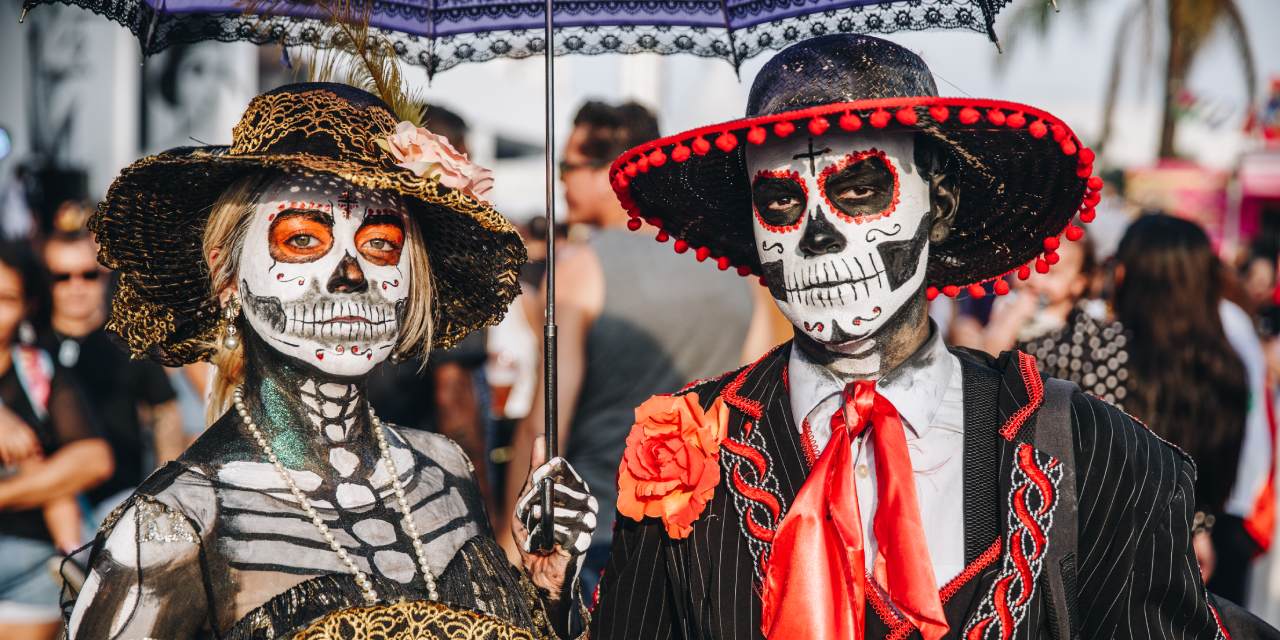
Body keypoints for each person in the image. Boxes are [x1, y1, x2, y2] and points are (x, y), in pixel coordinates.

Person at [591, 34, 1277, 639]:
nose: (818, 235)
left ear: (938, 205)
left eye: (859, 189)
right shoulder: (680, 455)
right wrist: (552, 590)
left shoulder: (1097, 453)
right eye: (780, 202)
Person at [65, 82, 596, 639]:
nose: (350, 273)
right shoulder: (175, 522)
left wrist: (547, 591)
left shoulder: (446, 469)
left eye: (381, 244)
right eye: (303, 240)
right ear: (228, 278)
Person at [498, 100, 756, 593]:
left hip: (602, 534)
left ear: (608, 171)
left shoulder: (579, 272)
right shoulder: (729, 270)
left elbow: (545, 424)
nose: (562, 182)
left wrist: (513, 547)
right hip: (711, 530)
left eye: (568, 166)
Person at [1112, 214, 1256, 604]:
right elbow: (1249, 438)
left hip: (1120, 542)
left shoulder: (1109, 345)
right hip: (1216, 528)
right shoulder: (1228, 341)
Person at [0, 242, 109, 640]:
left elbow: (93, 459)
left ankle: (70, 555)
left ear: (27, 305)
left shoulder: (39, 372)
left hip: (32, 570)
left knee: (38, 457)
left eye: (5, 299)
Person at [39, 229, 185, 522]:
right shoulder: (29, 343)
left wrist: (161, 489)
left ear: (103, 277)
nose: (76, 286)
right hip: (45, 504)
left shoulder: (128, 341)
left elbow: (165, 414)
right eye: (61, 277)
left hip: (118, 503)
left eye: (88, 275)